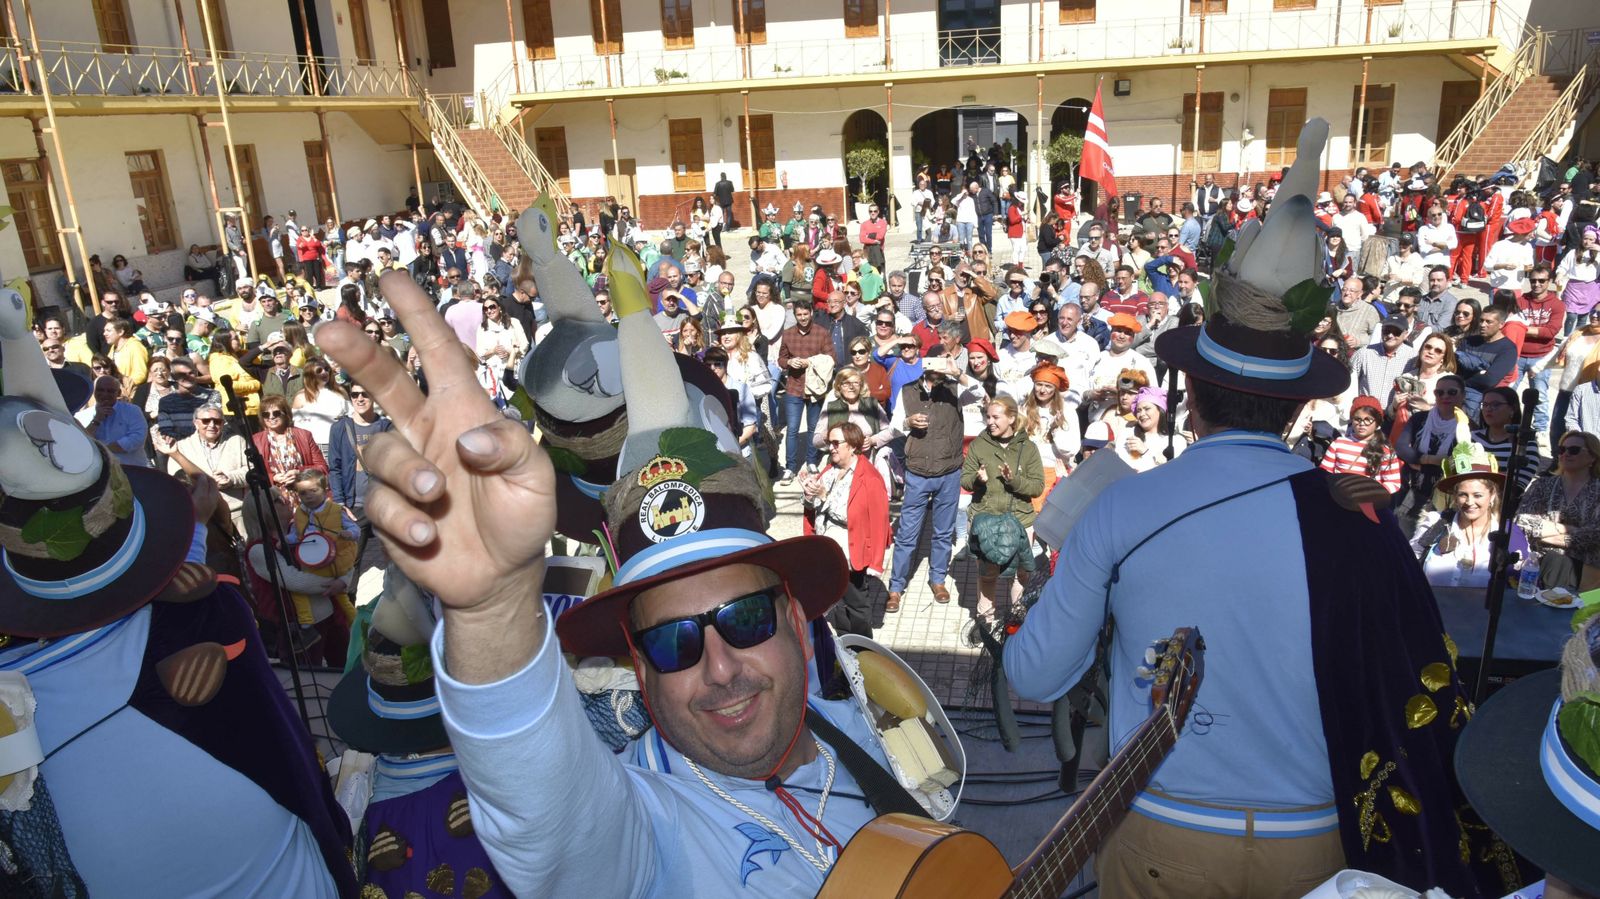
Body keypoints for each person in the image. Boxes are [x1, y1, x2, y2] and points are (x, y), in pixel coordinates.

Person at [1003, 121, 1514, 898]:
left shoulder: (1120, 508)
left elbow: (1035, 672)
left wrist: (1067, 584)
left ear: (1193, 396)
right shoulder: (1354, 515)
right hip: (1313, 840)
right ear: (1296, 407)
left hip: (1160, 828)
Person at [315, 265, 923, 898]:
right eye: (671, 641)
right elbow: (551, 820)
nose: (719, 668)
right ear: (637, 664)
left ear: (797, 622)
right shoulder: (638, 832)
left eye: (746, 619)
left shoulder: (866, 728)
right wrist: (491, 613)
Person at [884, 353, 963, 613]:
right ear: (923, 364)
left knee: (943, 531)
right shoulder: (908, 390)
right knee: (907, 533)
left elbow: (984, 392)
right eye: (933, 362)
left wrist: (957, 371)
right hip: (917, 472)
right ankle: (896, 587)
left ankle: (938, 580)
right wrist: (907, 422)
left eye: (942, 363)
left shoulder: (954, 388)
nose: (937, 368)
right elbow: (895, 426)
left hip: (949, 471)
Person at [801, 422, 889, 638]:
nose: (831, 448)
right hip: (829, 550)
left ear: (852, 446)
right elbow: (813, 507)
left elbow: (862, 518)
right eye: (829, 443)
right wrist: (809, 495)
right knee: (837, 601)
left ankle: (863, 650)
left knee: (856, 603)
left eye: (835, 443)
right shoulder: (830, 469)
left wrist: (824, 497)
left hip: (851, 552)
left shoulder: (869, 477)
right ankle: (844, 644)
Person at [962, 393, 1043, 620]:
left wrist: (1013, 481)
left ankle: (1017, 619)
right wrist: (978, 480)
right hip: (986, 518)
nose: (990, 422)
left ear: (1011, 418)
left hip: (1020, 519)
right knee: (988, 574)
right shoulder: (979, 444)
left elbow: (1037, 487)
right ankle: (985, 620)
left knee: (1021, 575)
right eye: (988, 417)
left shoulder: (1028, 448)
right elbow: (965, 479)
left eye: (996, 417)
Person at [1516, 430, 1600, 591]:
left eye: (1573, 450)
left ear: (1593, 457)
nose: (1565, 454)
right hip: (1540, 564)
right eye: (1561, 450)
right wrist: (1569, 529)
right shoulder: (1542, 485)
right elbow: (1523, 522)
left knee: (1559, 561)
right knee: (1556, 560)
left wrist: (1546, 531)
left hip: (1589, 572)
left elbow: (1596, 535)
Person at [1411, 447, 1504, 589]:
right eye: (1463, 495)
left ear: (1492, 496)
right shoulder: (1435, 524)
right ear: (1454, 496)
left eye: (1477, 495)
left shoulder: (1507, 535)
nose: (1469, 502)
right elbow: (1408, 564)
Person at [776, 299, 834, 481]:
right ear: (795, 316)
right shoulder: (788, 334)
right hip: (794, 386)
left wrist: (810, 362)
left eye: (805, 314)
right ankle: (790, 467)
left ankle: (811, 461)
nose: (802, 318)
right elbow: (780, 359)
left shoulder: (821, 333)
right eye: (799, 315)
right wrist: (789, 362)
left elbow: (832, 357)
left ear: (811, 313)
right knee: (792, 429)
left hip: (815, 388)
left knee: (812, 427)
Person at [1319, 395, 1402, 493]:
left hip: (1368, 502)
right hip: (1338, 497)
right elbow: (1323, 473)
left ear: (1378, 423)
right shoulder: (1338, 444)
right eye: (1357, 419)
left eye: (1368, 419)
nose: (1362, 423)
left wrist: (1373, 493)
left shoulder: (1385, 450)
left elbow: (1394, 483)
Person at [254, 395, 329, 495]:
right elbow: (255, 474)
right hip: (274, 497)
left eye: (276, 413)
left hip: (305, 494)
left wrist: (300, 472)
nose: (271, 417)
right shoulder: (256, 440)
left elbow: (322, 468)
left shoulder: (304, 435)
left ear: (285, 414)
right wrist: (273, 478)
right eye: (266, 414)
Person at [1471, 386, 1540, 490]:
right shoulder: (1472, 437)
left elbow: (1518, 487)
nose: (1488, 409)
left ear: (1512, 409)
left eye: (1496, 405)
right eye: (1485, 405)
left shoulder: (1526, 444)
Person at [76, 374, 150, 468]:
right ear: (94, 392)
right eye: (100, 390)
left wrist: (103, 450)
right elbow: (81, 441)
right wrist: (97, 420)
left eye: (110, 391)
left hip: (130, 468)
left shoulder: (133, 411)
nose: (105, 394)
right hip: (97, 470)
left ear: (118, 393)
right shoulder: (82, 416)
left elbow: (137, 438)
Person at [291, 359, 353, 454]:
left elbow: (351, 416)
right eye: (319, 370)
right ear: (310, 374)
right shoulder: (301, 397)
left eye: (327, 369)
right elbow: (298, 430)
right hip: (317, 446)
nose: (324, 372)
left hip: (342, 443)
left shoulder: (340, 391)